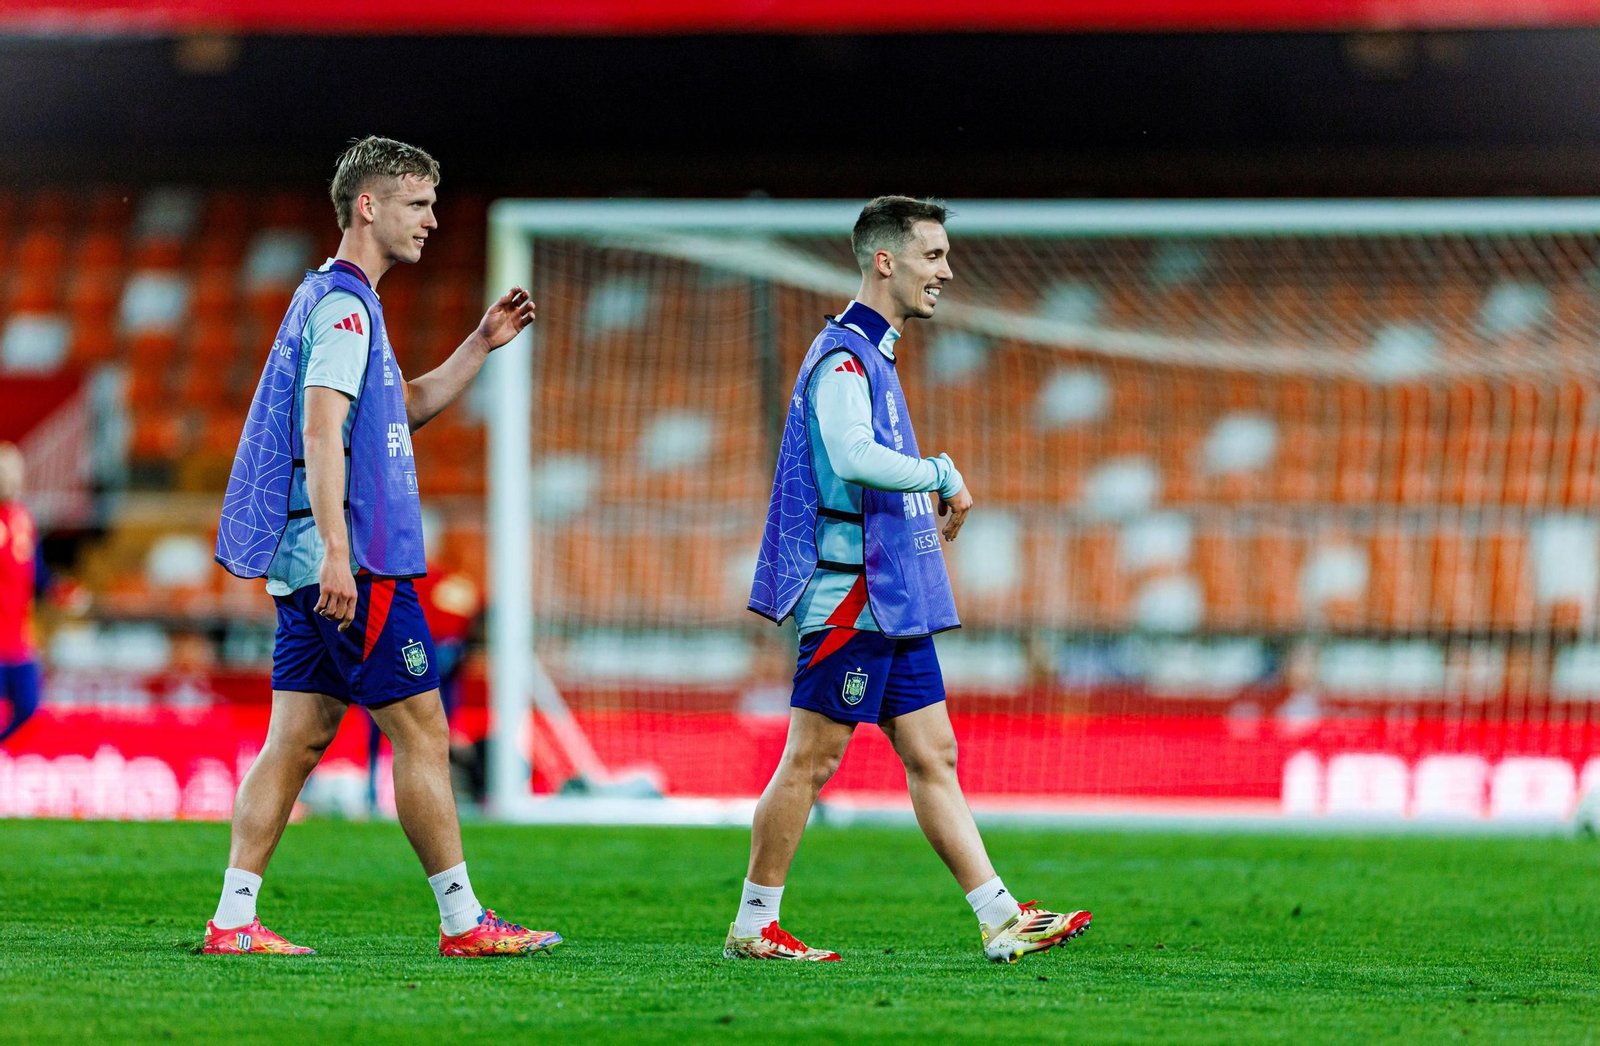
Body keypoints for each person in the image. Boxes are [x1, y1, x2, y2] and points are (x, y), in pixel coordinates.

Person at [209, 137, 558, 957]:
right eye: (418, 204)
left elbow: (398, 405)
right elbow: (322, 426)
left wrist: (478, 343)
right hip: (354, 562)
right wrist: (337, 549)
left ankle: (232, 920)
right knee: (423, 730)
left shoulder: (337, 301)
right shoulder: (344, 307)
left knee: (294, 739)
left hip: (316, 558)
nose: (433, 221)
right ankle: (464, 922)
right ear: (368, 206)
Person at [736, 197, 1092, 964]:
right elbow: (852, 454)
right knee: (812, 760)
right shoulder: (841, 355)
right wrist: (940, 471)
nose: (947, 270)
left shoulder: (877, 354)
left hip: (893, 598)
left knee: (934, 753)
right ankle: (754, 924)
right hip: (853, 597)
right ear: (885, 261)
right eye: (933, 255)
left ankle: (1000, 916)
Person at [0, 443, 41, 745]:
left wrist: (56, 588)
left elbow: (35, 566)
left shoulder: (23, 517)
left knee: (28, 704)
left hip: (19, 638)